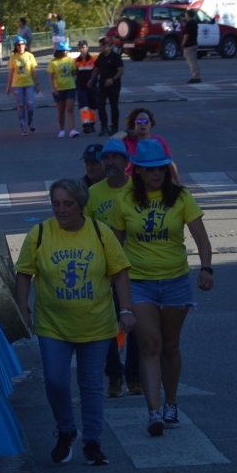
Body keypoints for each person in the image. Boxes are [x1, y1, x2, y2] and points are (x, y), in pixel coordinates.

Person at [14, 178, 135, 467]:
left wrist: (127, 309)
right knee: (55, 381)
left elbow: (119, 272)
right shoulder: (40, 233)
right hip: (53, 325)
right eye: (56, 204)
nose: (61, 209)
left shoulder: (99, 232)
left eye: (68, 204)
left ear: (81, 205)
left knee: (91, 385)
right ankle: (67, 431)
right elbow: (23, 273)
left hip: (96, 325)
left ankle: (93, 442)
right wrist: (23, 308)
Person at [105, 141, 213, 437]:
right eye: (150, 169)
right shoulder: (124, 200)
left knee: (170, 346)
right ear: (137, 170)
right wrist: (113, 281)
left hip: (176, 282)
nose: (157, 174)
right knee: (150, 345)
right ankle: (153, 411)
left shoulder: (181, 197)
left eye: (162, 168)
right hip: (139, 284)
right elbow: (114, 247)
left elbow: (202, 238)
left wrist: (206, 268)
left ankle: (171, 402)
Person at [87, 140, 140, 397]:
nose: (110, 163)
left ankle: (134, 376)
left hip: (136, 269)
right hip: (103, 269)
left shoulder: (137, 190)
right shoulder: (93, 193)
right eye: (105, 158)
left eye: (116, 157)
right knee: (108, 325)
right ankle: (114, 376)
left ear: (126, 162)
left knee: (136, 324)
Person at [5, 38, 40, 136]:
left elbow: (33, 71)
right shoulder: (13, 58)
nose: (20, 47)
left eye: (22, 44)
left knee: (31, 105)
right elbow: (11, 73)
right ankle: (23, 127)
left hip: (29, 83)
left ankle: (30, 122)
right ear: (16, 46)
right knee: (21, 106)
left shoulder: (30, 56)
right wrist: (8, 87)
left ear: (25, 45)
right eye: (18, 45)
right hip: (17, 84)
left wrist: (37, 84)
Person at [93, 37, 125, 136]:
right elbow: (97, 69)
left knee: (114, 106)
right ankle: (104, 126)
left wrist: (112, 79)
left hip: (114, 85)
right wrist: (92, 79)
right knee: (101, 105)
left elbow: (121, 70)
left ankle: (114, 127)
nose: (100, 49)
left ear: (107, 46)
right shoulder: (100, 57)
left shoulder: (115, 57)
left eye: (101, 47)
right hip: (102, 85)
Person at [47, 43, 79, 138]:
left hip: (70, 86)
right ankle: (61, 130)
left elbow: (73, 73)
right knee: (61, 111)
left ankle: (72, 130)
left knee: (70, 108)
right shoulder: (53, 62)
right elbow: (51, 77)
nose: (67, 52)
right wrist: (53, 88)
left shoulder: (70, 60)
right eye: (66, 50)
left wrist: (77, 69)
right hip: (59, 89)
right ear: (61, 51)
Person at [73, 41, 96, 133]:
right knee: (83, 106)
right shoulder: (76, 61)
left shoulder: (93, 59)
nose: (81, 49)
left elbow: (98, 70)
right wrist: (75, 69)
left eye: (83, 47)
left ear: (87, 47)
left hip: (92, 86)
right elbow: (73, 73)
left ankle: (92, 123)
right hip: (81, 86)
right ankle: (85, 125)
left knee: (92, 106)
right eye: (80, 47)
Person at [181, 14, 201, 84]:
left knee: (191, 62)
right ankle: (197, 76)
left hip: (189, 45)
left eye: (186, 14)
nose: (185, 16)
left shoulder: (189, 24)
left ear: (188, 15)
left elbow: (186, 35)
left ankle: (195, 77)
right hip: (195, 44)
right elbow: (187, 26)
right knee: (194, 61)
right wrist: (181, 21)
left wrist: (183, 43)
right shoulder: (194, 23)